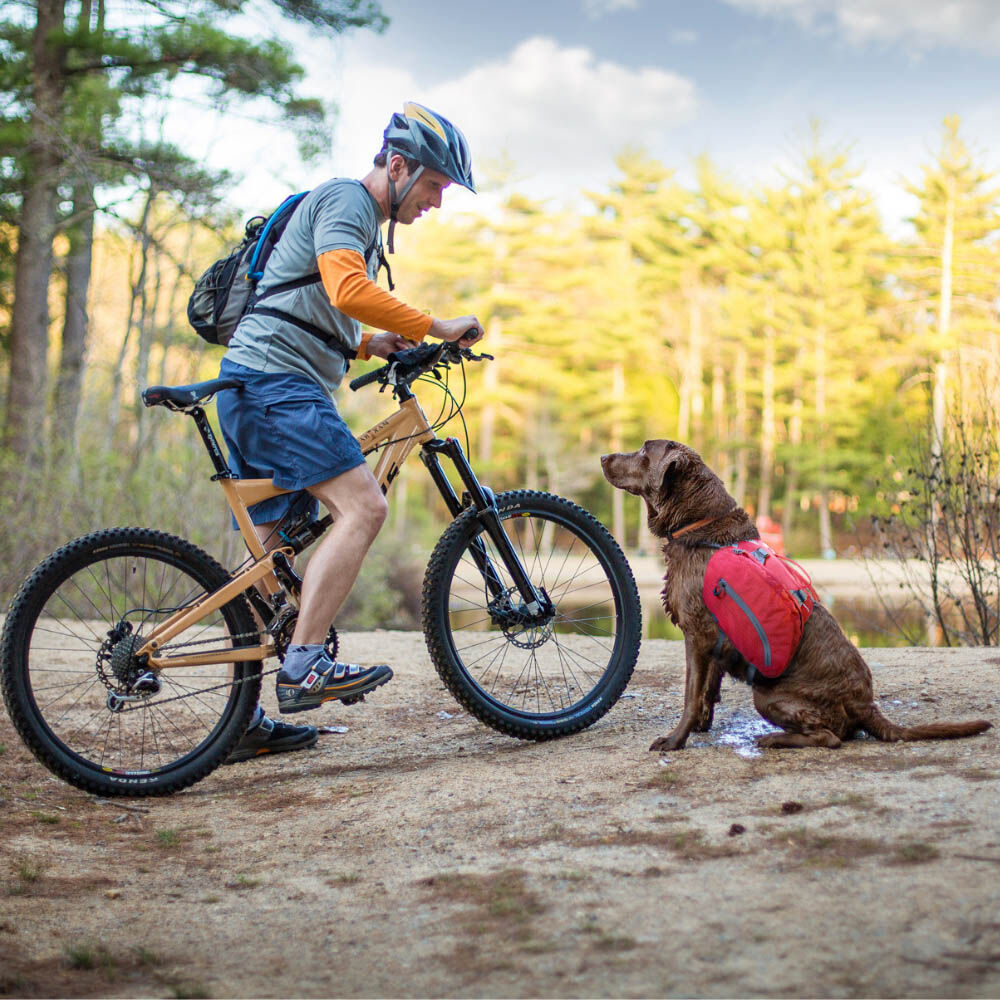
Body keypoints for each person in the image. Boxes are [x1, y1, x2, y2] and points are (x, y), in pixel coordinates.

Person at [218, 102, 484, 764]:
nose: (437, 203)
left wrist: (369, 343)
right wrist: (435, 325)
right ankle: (305, 663)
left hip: (255, 384)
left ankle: (242, 718)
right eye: (434, 186)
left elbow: (316, 301)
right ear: (398, 166)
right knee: (364, 505)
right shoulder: (347, 203)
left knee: (270, 557)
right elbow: (343, 287)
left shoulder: (352, 219)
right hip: (279, 387)